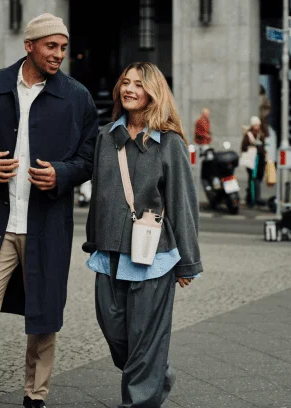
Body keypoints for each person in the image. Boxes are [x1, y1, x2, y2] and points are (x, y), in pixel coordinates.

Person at [0, 12, 98, 408]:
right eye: (51, 46)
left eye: (63, 48)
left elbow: (89, 157)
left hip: (47, 222)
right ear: (29, 45)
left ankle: (36, 395)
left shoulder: (77, 96)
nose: (59, 54)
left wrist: (61, 174)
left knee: (45, 312)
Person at [83, 62, 203, 408]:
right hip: (109, 254)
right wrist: (93, 240)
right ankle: (155, 372)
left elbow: (182, 204)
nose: (129, 89)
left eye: (138, 84)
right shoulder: (107, 137)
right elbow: (100, 195)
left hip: (154, 255)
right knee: (117, 333)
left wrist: (187, 262)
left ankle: (140, 397)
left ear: (154, 92)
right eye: (125, 82)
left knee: (144, 339)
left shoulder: (170, 143)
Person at [241, 116, 266, 208]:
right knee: (252, 179)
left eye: (258, 125)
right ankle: (252, 199)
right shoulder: (249, 135)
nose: (257, 127)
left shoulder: (260, 134)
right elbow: (243, 147)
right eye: (256, 125)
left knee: (256, 179)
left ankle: (252, 198)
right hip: (252, 161)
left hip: (259, 161)